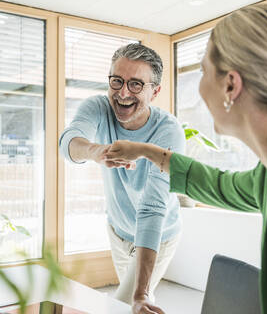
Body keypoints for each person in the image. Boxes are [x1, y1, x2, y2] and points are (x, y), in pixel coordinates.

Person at [102, 4, 267, 313]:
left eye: (203, 71)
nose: (199, 88)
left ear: (230, 84)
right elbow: (223, 186)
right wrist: (146, 151)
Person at [59, 43, 185, 314]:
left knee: (126, 302)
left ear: (156, 91)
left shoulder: (169, 131)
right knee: (133, 305)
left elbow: (152, 209)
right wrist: (95, 151)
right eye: (117, 81)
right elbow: (68, 142)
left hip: (158, 234)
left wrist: (140, 293)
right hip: (118, 230)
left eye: (136, 84)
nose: (123, 92)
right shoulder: (98, 107)